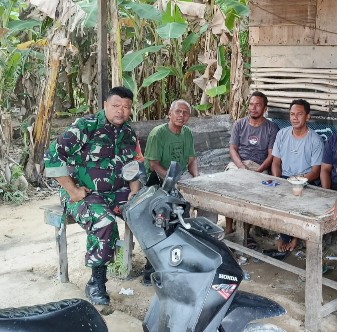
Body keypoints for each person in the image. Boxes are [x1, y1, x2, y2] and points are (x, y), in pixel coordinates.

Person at [44, 87, 140, 305]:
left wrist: (135, 190)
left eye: (126, 107)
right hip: (83, 193)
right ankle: (97, 282)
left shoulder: (128, 133)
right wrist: (73, 191)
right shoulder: (85, 127)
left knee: (150, 208)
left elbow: (133, 164)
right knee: (104, 221)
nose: (121, 111)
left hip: (117, 192)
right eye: (116, 106)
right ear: (105, 105)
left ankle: (157, 268)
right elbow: (52, 156)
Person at [225, 91, 279, 244]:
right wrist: (241, 166)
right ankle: (229, 228)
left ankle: (245, 231)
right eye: (251, 104)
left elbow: (271, 155)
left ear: (265, 108)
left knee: (253, 193)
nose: (253, 108)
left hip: (258, 166)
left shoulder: (271, 128)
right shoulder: (239, 124)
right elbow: (232, 149)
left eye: (258, 105)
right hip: (238, 164)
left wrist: (259, 171)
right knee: (228, 187)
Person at [272, 99, 324, 252]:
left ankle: (296, 237)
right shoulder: (282, 134)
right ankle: (284, 236)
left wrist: (299, 181)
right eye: (292, 114)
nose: (295, 118)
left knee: (301, 204)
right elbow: (276, 162)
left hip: (307, 181)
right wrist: (278, 180)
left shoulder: (315, 140)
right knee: (276, 200)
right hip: (284, 178)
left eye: (299, 114)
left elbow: (316, 171)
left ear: (307, 117)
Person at [144, 99, 199, 179]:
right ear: (170, 114)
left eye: (185, 113)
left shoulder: (187, 132)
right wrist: (171, 179)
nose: (181, 115)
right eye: (178, 111)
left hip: (181, 175)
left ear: (188, 117)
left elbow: (192, 160)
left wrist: (197, 177)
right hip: (158, 178)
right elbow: (153, 165)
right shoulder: (157, 133)